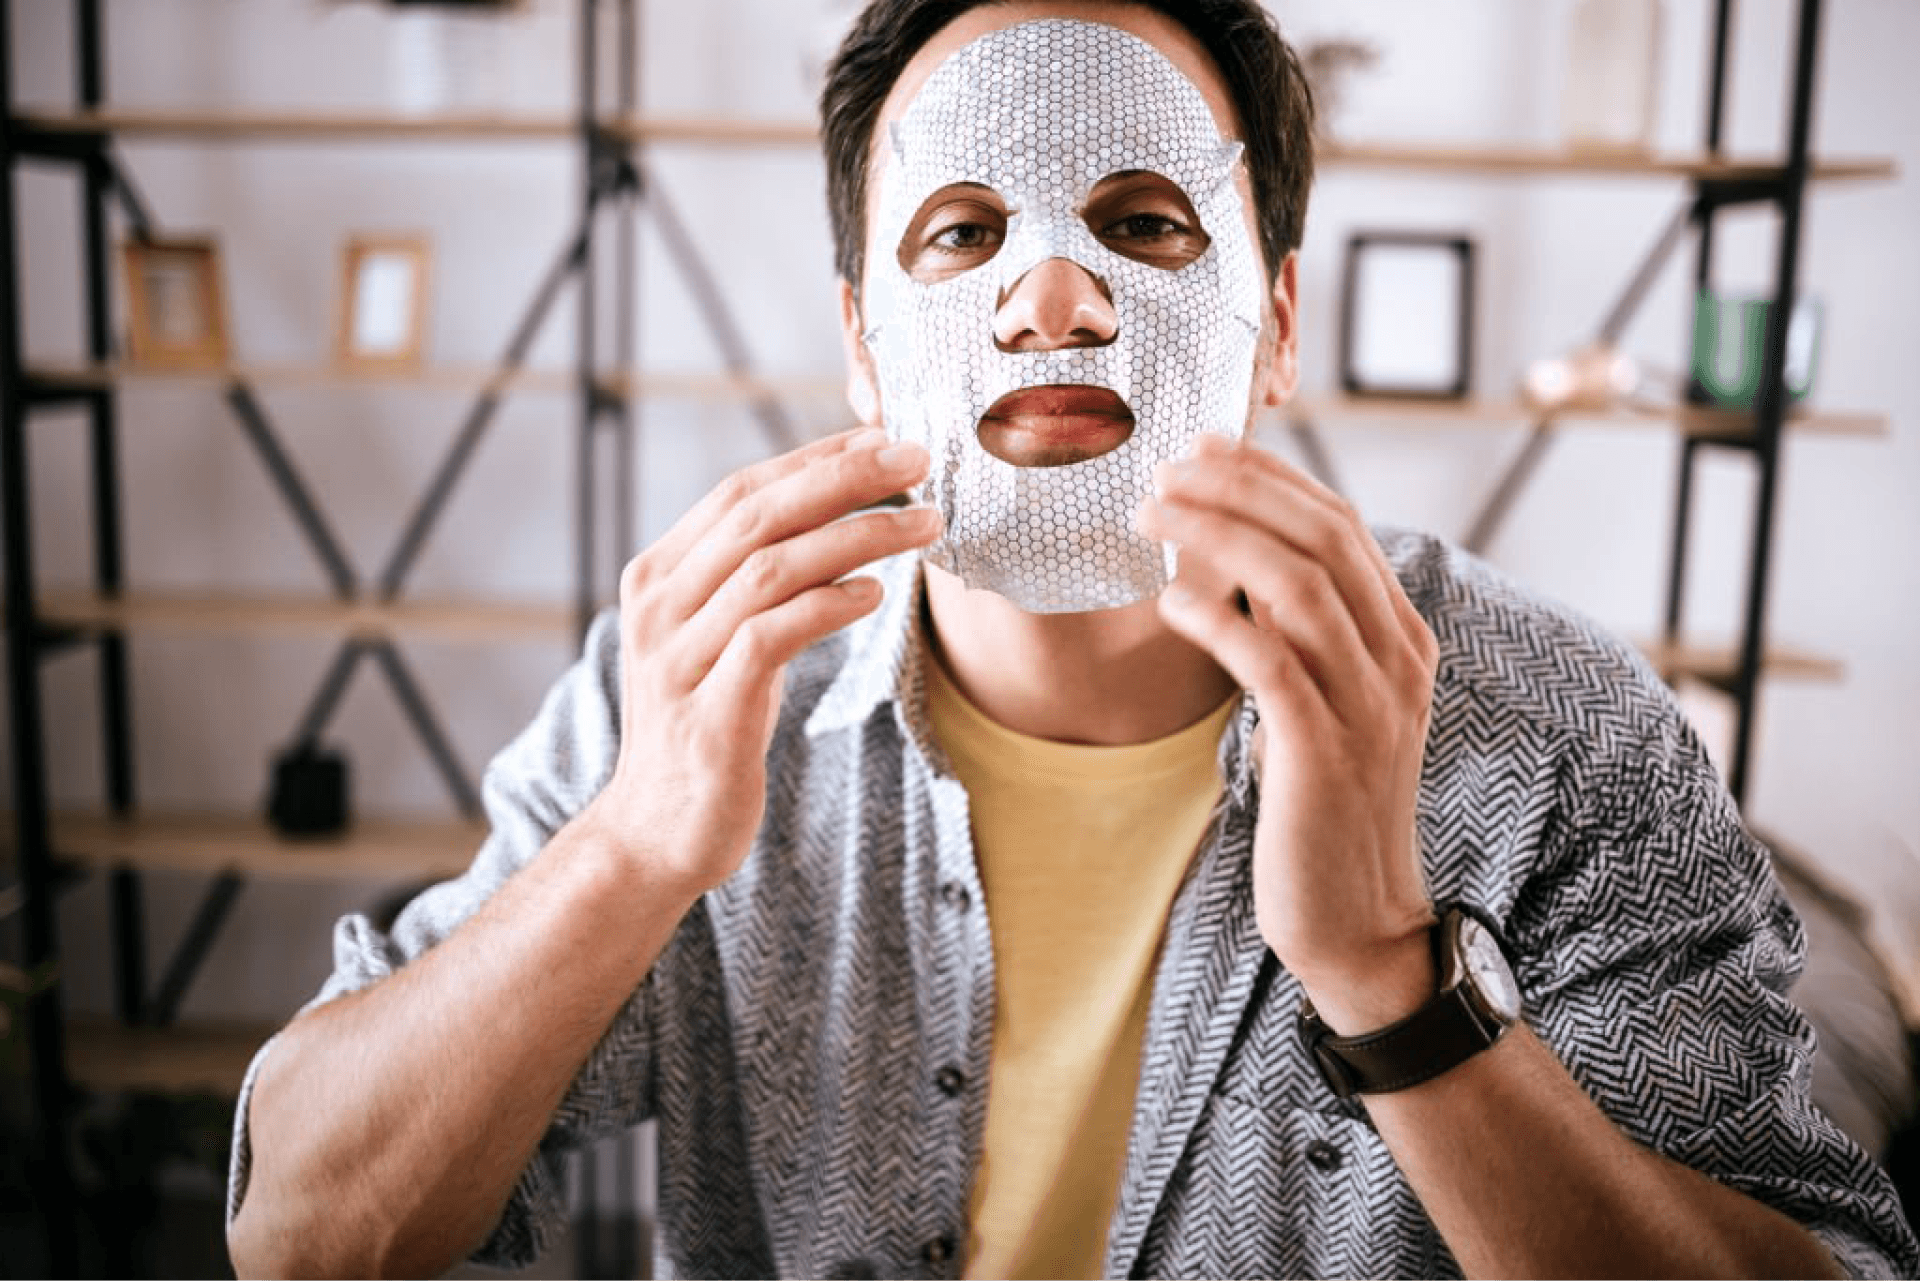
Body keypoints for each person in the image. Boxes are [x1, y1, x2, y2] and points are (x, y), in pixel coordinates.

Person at [226, 2, 1920, 1278]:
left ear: (1274, 325)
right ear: (866, 349)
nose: (1056, 298)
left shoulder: (1549, 733)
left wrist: (1392, 982)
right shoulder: (696, 692)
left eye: (1144, 222)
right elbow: (300, 1240)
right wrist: (629, 856)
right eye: (963, 231)